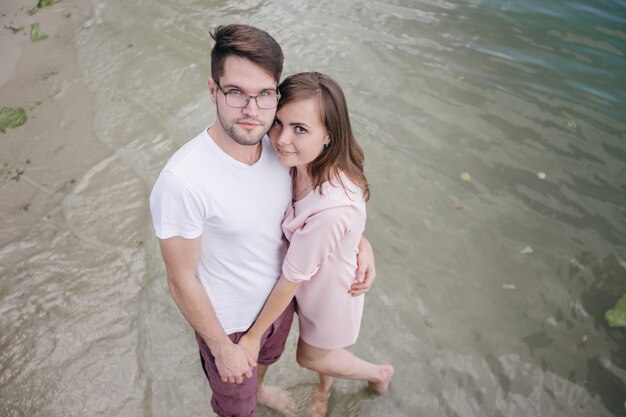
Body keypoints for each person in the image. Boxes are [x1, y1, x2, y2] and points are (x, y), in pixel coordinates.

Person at [149, 24, 376, 417]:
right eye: (236, 92)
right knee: (235, 411)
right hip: (230, 325)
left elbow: (323, 206)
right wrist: (223, 347)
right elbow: (180, 279)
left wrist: (360, 242)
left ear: (276, 95)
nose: (252, 111)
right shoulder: (183, 182)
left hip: (278, 306)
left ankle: (262, 389)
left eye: (264, 95)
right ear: (212, 90)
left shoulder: (280, 148)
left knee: (265, 365)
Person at [238, 72, 394, 417]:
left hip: (331, 291)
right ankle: (327, 387)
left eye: (300, 129)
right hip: (316, 269)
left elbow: (294, 275)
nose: (281, 139)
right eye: (278, 122)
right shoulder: (299, 163)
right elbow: (346, 223)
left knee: (311, 355)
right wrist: (361, 242)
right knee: (323, 351)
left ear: (329, 137)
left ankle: (377, 374)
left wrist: (251, 338)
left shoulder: (331, 206)